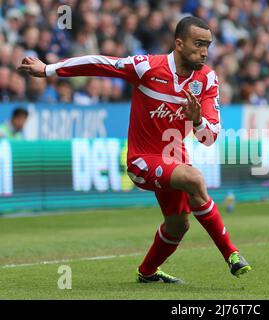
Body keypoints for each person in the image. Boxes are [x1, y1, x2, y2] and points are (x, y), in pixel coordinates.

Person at [18, 16, 251, 283]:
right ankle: (232, 255)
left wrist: (197, 120)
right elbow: (101, 64)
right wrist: (48, 69)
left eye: (208, 45)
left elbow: (209, 139)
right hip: (142, 160)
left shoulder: (208, 80)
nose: (204, 51)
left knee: (178, 225)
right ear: (179, 43)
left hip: (175, 162)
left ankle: (148, 272)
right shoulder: (146, 67)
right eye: (198, 44)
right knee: (195, 179)